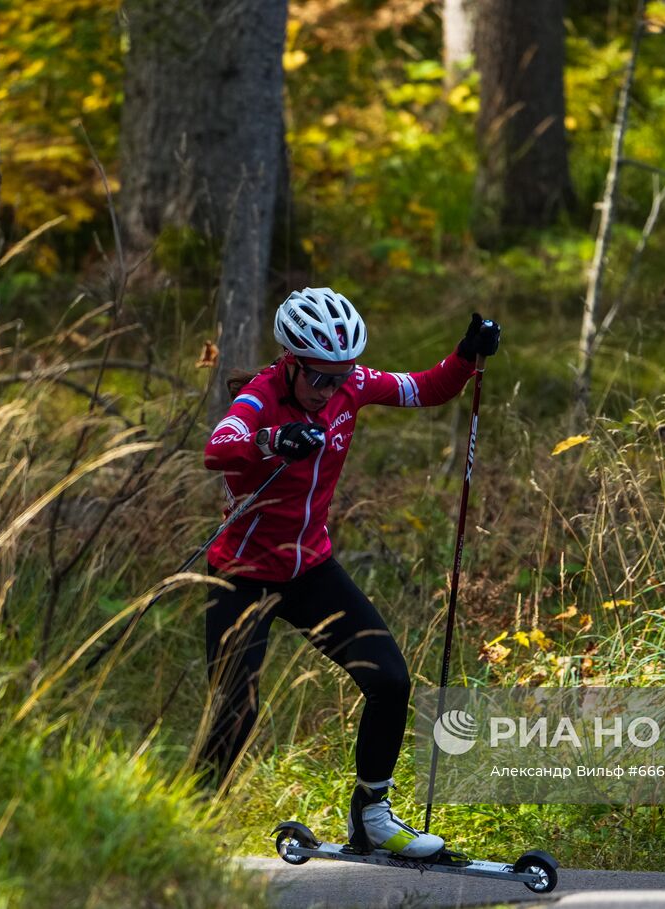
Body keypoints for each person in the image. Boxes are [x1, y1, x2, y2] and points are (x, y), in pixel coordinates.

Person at [199, 287, 500, 858]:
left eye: (340, 377)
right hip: (241, 576)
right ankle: (189, 824)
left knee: (389, 680)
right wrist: (271, 440)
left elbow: (425, 387)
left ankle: (371, 817)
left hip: (310, 570)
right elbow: (221, 446)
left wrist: (465, 355)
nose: (329, 389)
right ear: (291, 362)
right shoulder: (262, 396)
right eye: (318, 378)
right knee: (236, 707)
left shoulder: (351, 385)